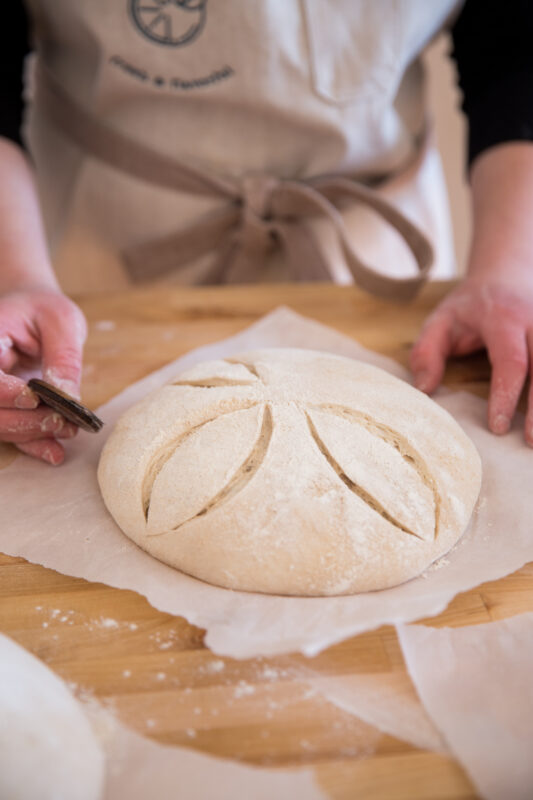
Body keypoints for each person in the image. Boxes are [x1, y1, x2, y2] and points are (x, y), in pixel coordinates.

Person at [1, 0, 532, 465]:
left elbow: (514, 57)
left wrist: (510, 270)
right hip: (101, 243)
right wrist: (15, 276)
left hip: (368, 251)